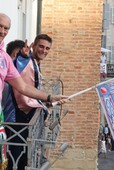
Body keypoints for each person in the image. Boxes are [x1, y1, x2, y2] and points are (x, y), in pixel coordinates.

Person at [0, 13, 68, 169]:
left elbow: (23, 87)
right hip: (15, 116)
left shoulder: (4, 58)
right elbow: (21, 66)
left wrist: (50, 97)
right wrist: (23, 58)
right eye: (0, 26)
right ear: (34, 46)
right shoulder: (23, 60)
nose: (2, 31)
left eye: (6, 28)